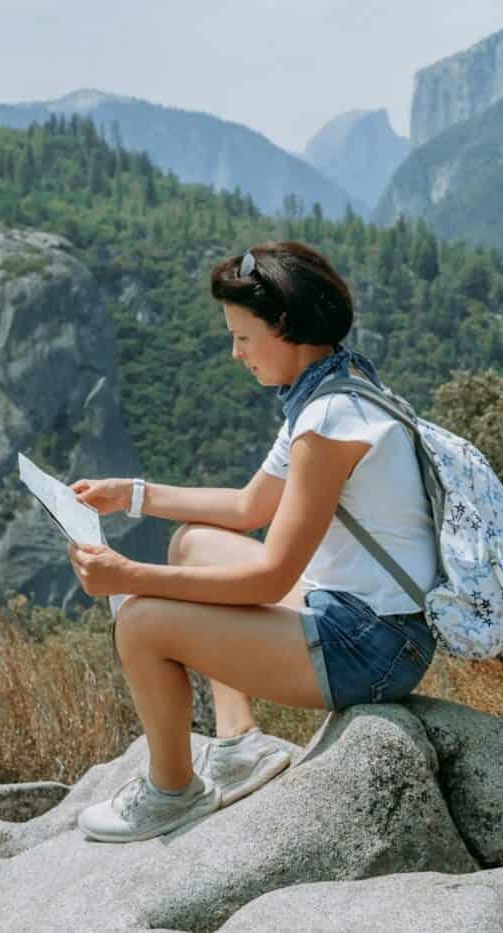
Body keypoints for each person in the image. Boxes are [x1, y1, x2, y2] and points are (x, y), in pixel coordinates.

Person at [67, 241, 440, 843]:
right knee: (193, 545)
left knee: (140, 623)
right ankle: (239, 744)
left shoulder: (329, 421)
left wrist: (127, 577)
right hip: (360, 614)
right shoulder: (335, 386)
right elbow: (249, 508)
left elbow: (270, 577)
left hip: (373, 648)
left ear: (284, 326)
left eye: (243, 337)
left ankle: (172, 792)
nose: (235, 353)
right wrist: (131, 494)